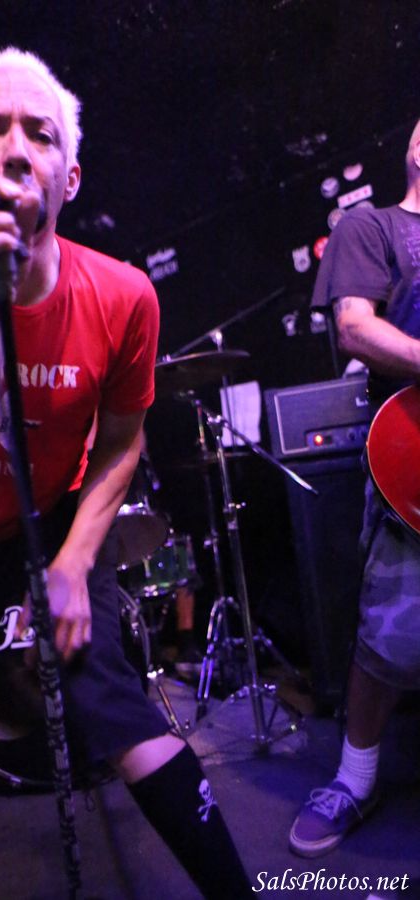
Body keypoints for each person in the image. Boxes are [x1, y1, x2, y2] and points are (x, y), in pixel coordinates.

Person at [0, 48, 250, 897]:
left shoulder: (125, 295)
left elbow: (123, 441)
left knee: (114, 703)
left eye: (41, 133)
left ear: (69, 177)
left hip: (62, 515)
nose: (16, 149)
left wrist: (71, 563)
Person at [289, 119, 420, 858]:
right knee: (392, 631)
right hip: (412, 456)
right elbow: (356, 328)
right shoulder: (373, 228)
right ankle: (355, 776)